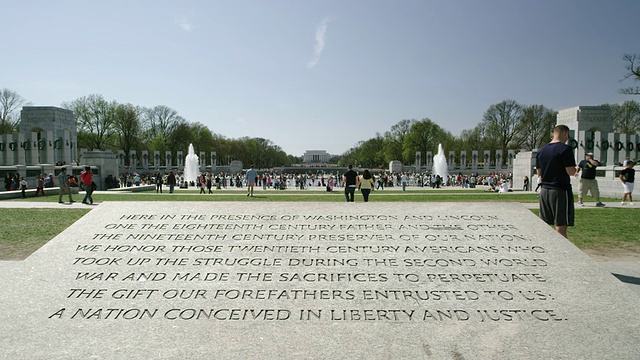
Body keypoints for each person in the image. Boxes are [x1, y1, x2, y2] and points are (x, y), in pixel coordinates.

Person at [536, 125, 577, 238]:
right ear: (566, 133)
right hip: (560, 189)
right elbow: (570, 171)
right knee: (561, 226)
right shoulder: (565, 149)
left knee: (545, 223)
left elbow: (540, 174)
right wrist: (577, 170)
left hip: (544, 190)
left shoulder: (541, 150)